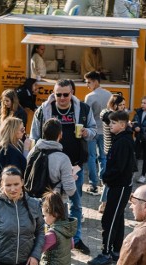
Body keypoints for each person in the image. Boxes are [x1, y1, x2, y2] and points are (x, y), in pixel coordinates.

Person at [30, 79, 96, 255]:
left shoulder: (83, 109)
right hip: (48, 168)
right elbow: (34, 137)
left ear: (72, 93)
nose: (61, 98)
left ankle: (76, 238)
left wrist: (86, 132)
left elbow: (94, 131)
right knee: (46, 207)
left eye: (65, 94)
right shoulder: (43, 110)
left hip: (74, 167)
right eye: (58, 94)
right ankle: (46, 242)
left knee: (76, 204)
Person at [88, 110, 136, 265]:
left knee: (109, 219)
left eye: (113, 123)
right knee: (118, 218)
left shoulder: (123, 141)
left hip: (120, 186)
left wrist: (106, 177)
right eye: (110, 122)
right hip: (118, 185)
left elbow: (120, 167)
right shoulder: (120, 138)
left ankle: (106, 253)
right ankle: (116, 250)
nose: (109, 125)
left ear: (122, 125)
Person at [26, 119, 76, 203]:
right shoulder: (63, 159)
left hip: (33, 201)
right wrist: (72, 178)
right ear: (60, 134)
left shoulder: (33, 151)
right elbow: (70, 190)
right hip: (54, 204)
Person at [84, 71, 112, 195]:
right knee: (103, 157)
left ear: (95, 82)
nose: (87, 85)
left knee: (91, 157)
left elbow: (86, 115)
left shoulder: (90, 97)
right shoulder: (109, 94)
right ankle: (104, 182)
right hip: (105, 130)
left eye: (88, 82)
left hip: (92, 130)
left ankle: (93, 185)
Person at [99, 94, 128, 212]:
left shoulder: (115, 115)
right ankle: (104, 202)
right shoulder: (108, 115)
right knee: (108, 175)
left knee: (107, 174)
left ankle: (105, 201)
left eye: (124, 105)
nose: (123, 107)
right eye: (120, 105)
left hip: (111, 149)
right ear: (114, 105)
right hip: (110, 149)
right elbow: (107, 117)